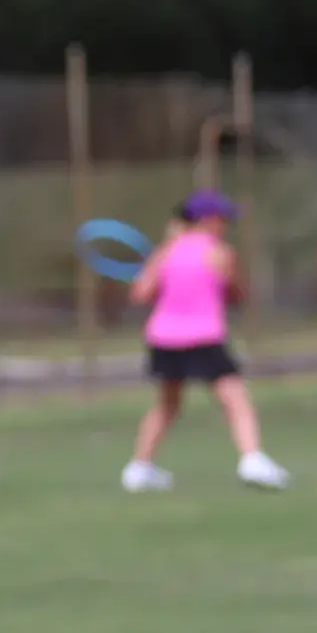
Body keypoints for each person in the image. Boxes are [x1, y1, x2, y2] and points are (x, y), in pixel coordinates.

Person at [120, 190, 291, 493]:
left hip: (164, 338)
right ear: (207, 220)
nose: (225, 224)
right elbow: (238, 294)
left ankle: (138, 468)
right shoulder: (220, 252)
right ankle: (252, 459)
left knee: (168, 405)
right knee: (236, 400)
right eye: (222, 218)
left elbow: (140, 294)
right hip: (203, 336)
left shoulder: (166, 252)